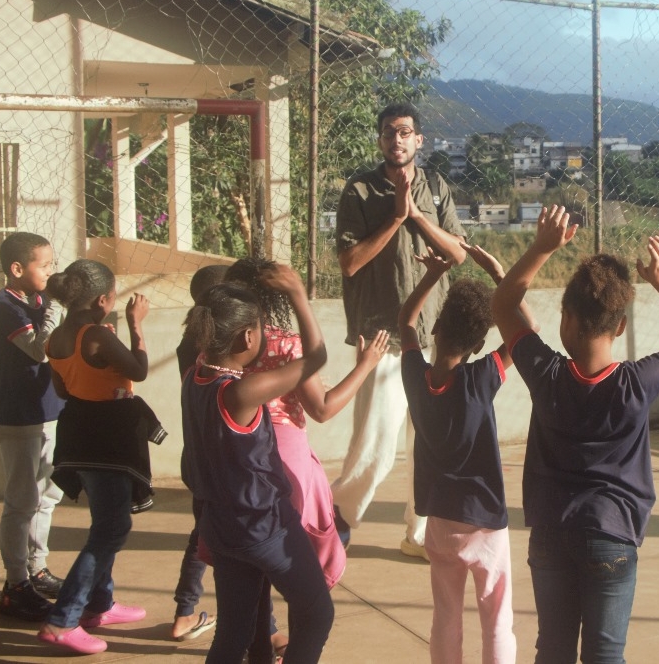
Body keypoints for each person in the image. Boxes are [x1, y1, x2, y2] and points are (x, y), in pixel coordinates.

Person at [491, 205, 659, 662]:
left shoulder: (546, 371)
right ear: (621, 327)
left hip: (551, 531)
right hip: (613, 535)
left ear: (565, 318)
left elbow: (502, 304)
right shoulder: (638, 382)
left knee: (551, 648)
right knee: (606, 652)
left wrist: (541, 248)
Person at [331, 101, 467, 558]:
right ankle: (334, 524)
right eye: (389, 132)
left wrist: (416, 216)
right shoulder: (360, 191)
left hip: (432, 334)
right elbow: (350, 262)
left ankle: (419, 534)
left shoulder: (437, 187)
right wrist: (394, 215)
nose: (397, 139)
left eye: (405, 132)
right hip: (382, 335)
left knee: (428, 441)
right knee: (376, 442)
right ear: (380, 139)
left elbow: (458, 254)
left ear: (419, 139)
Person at [180, 268, 333, 664]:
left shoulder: (194, 376)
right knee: (317, 613)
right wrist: (299, 293)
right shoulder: (241, 392)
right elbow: (316, 357)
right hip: (265, 526)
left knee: (234, 632)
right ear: (248, 337)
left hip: (222, 527)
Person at [226, 257, 389, 588]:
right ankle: (304, 629)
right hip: (285, 458)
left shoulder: (216, 347)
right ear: (273, 299)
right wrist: (365, 365)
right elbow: (322, 409)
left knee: (253, 560)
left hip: (236, 456)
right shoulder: (283, 343)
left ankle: (264, 632)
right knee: (303, 562)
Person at [400, 243, 528, 664]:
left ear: (435, 329)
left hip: (438, 520)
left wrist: (433, 275)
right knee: (497, 620)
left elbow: (405, 321)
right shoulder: (481, 377)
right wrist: (500, 274)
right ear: (478, 346)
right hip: (485, 522)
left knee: (445, 616)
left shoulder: (415, 377)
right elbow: (525, 333)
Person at [37, 259, 154, 655]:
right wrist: (137, 326)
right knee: (111, 529)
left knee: (105, 521)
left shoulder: (55, 339)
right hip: (108, 438)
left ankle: (98, 606)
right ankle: (63, 619)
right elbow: (138, 371)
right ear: (104, 300)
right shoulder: (98, 337)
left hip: (78, 435)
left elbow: (64, 389)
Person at [0, 232, 66, 621]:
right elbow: (38, 347)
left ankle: (36, 568)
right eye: (45, 266)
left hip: (49, 409)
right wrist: (54, 307)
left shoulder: (37, 300)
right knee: (21, 501)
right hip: (18, 415)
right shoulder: (5, 306)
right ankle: (15, 583)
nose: (51, 273)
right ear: (17, 269)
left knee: (47, 496)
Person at [170, 264, 227, 642]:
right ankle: (262, 629)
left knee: (202, 535)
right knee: (234, 546)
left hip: (196, 459)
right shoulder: (222, 348)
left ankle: (185, 612)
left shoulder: (190, 341)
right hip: (222, 461)